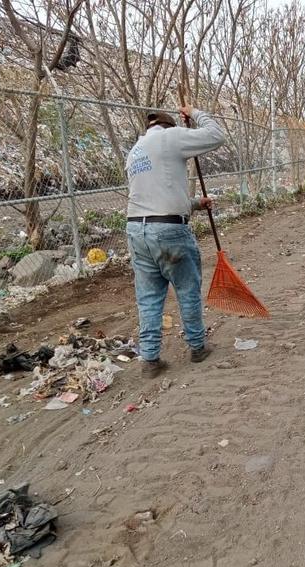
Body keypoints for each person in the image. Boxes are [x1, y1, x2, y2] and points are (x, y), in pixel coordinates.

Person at [125, 104, 225, 377]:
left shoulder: (135, 151)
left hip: (137, 230)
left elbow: (153, 196)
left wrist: (193, 204)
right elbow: (216, 135)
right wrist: (194, 113)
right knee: (187, 289)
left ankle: (150, 360)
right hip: (169, 232)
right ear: (170, 127)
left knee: (148, 298)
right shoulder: (170, 138)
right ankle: (197, 346)